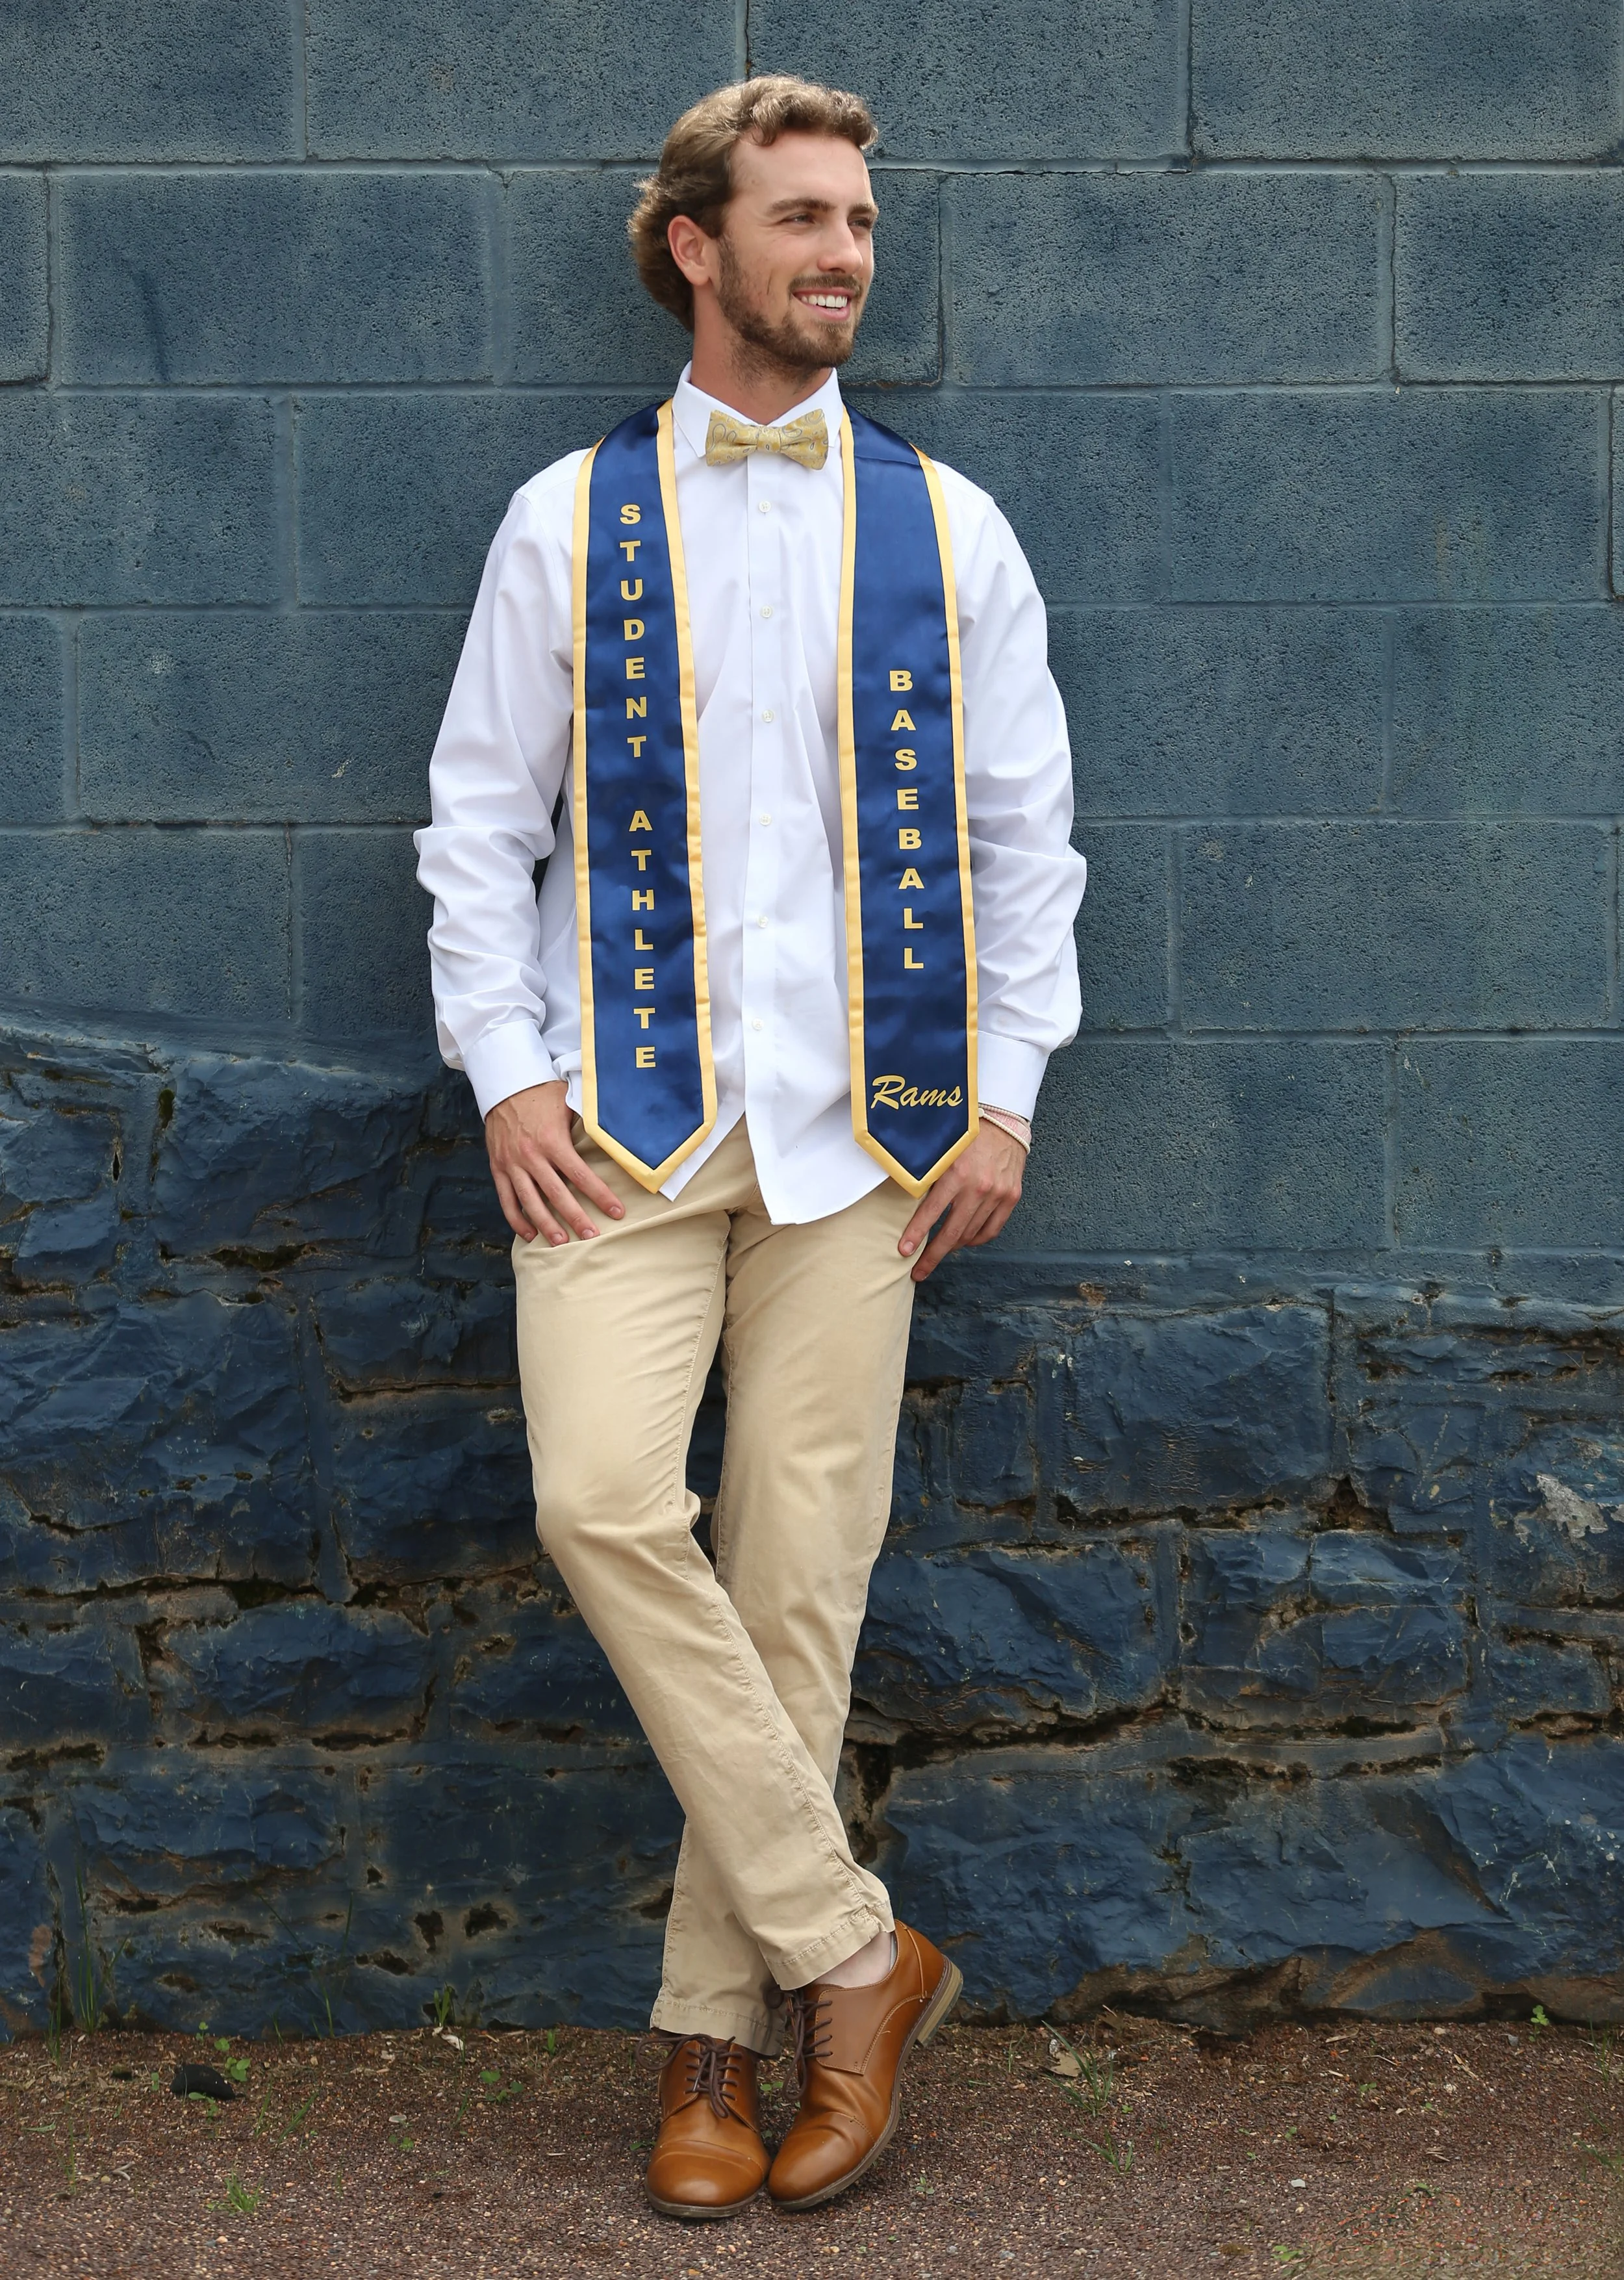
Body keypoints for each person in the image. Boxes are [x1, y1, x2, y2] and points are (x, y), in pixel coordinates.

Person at [414, 73, 1085, 2222]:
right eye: (801, 219)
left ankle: (718, 2042)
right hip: (613, 1127)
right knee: (602, 1494)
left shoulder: (951, 526)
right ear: (693, 246)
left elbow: (1023, 844)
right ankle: (858, 1950)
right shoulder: (562, 518)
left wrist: (1003, 1094)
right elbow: (472, 827)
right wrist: (506, 1070)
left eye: (862, 224)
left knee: (800, 1582)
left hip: (870, 1144)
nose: (845, 257)